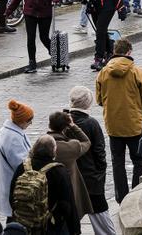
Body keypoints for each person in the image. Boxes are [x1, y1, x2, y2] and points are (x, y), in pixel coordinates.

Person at [94, 39, 142, 203]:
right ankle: (135, 194)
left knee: (117, 161)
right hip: (134, 123)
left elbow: (99, 99)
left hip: (113, 124)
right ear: (129, 52)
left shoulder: (103, 72)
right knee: (139, 160)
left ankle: (121, 196)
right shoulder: (136, 71)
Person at [64, 87, 113, 235]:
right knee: (101, 216)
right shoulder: (91, 123)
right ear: (88, 103)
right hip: (91, 177)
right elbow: (99, 153)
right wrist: (100, 172)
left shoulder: (62, 121)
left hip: (69, 177)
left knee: (70, 217)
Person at [6, 0, 63, 74]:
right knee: (30, 38)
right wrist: (8, 11)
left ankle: (54, 53)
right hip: (30, 12)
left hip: (45, 11)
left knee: (44, 37)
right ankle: (32, 62)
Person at [8, 135, 75, 235]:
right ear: (53, 151)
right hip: (50, 225)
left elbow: (12, 195)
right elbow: (67, 203)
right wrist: (74, 228)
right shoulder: (59, 171)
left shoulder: (22, 167)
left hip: (25, 223)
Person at [44, 112, 90, 235]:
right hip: (69, 194)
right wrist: (73, 126)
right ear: (65, 126)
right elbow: (86, 142)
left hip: (47, 195)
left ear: (49, 125)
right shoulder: (72, 147)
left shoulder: (42, 145)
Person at [0, 101, 32, 220]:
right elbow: (22, 165)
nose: (31, 123)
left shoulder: (6, 132)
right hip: (16, 189)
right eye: (29, 120)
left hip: (10, 186)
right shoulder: (12, 137)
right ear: (21, 121)